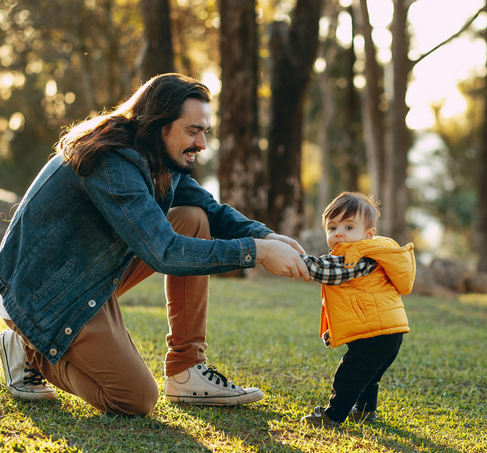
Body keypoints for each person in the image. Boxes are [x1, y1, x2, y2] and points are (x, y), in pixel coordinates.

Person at [0, 73, 318, 416]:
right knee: (134, 398)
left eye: (205, 132)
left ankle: (186, 370)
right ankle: (27, 347)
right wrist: (256, 253)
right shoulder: (112, 160)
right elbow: (163, 251)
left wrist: (266, 236)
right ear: (159, 124)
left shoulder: (158, 157)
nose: (202, 144)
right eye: (193, 131)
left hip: (86, 276)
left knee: (195, 218)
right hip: (44, 295)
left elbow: (211, 210)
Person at [300, 191, 416, 427]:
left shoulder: (361, 257)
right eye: (332, 228)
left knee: (349, 375)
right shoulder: (356, 254)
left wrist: (297, 261)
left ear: (368, 234)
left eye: (349, 227)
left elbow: (326, 272)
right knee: (368, 377)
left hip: (376, 334)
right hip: (386, 333)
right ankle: (365, 412)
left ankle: (333, 415)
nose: (339, 233)